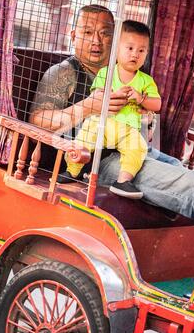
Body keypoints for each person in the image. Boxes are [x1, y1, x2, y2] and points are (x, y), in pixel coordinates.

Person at [30, 4, 194, 235]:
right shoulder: (64, 73)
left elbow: (150, 111)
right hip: (99, 159)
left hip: (136, 150)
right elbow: (38, 119)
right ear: (73, 35)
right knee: (190, 186)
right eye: (87, 32)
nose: (96, 41)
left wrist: (145, 117)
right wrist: (87, 107)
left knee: (192, 178)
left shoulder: (127, 73)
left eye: (105, 33)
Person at [62, 20, 161, 199]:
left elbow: (157, 105)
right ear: (116, 49)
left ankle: (123, 181)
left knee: (138, 148)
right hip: (104, 123)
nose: (135, 55)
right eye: (129, 48)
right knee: (86, 133)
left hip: (129, 129)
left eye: (141, 50)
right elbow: (97, 97)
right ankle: (72, 170)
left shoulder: (146, 81)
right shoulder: (106, 73)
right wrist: (115, 94)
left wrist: (141, 98)